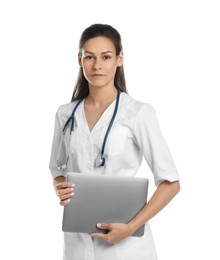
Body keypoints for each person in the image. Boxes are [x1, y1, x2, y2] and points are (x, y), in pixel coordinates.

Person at [49, 23, 180, 260]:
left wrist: (131, 227)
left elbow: (170, 182)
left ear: (119, 59)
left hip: (127, 247)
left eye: (106, 57)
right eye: (89, 57)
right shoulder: (65, 114)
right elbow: (57, 169)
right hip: (78, 246)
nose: (97, 65)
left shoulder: (138, 113)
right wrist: (60, 187)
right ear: (79, 60)